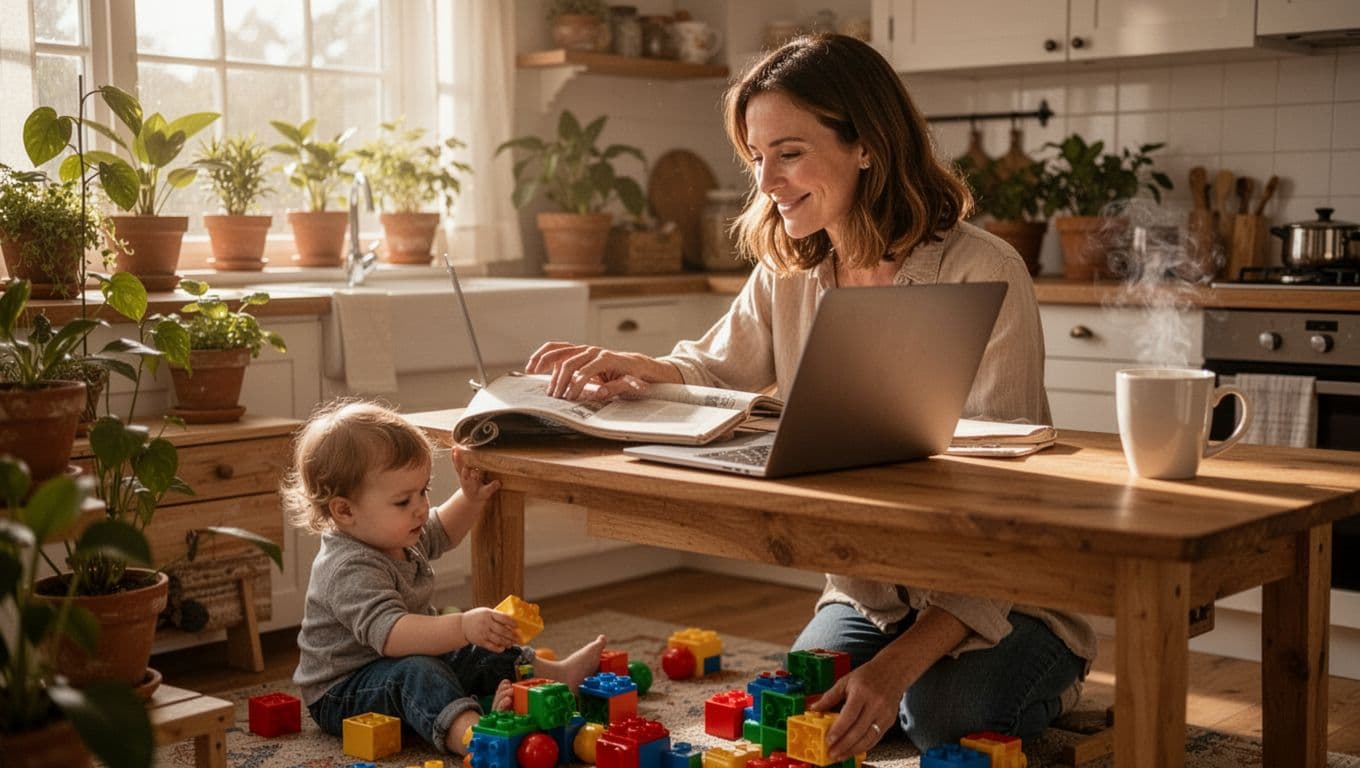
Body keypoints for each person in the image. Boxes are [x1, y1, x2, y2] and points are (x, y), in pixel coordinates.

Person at [524, 34, 1095, 760]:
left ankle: (1053, 672)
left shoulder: (983, 269)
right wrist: (632, 366)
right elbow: (715, 367)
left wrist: (896, 669)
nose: (766, 179)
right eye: (756, 157)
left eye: (788, 153)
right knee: (798, 707)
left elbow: (1011, 486)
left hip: (1002, 593)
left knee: (942, 715)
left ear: (867, 145)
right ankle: (903, 676)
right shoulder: (792, 268)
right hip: (870, 592)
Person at [282, 400, 606, 755]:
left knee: (479, 648)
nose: (420, 506)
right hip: (343, 691)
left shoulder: (394, 531)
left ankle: (556, 676)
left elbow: (442, 530)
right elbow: (392, 635)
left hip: (399, 661)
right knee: (417, 672)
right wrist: (461, 626)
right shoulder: (348, 568)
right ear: (345, 510)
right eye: (403, 501)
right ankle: (474, 736)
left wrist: (468, 499)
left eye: (423, 490)